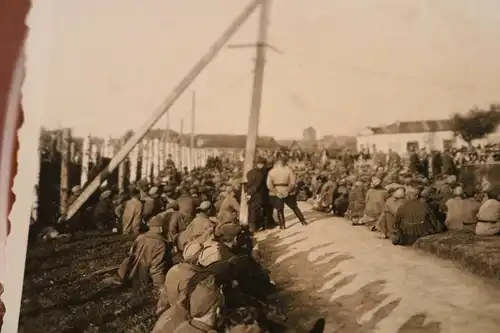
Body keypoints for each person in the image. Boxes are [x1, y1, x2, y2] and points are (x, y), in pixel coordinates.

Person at [117, 215, 172, 289]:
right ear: (161, 228)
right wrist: (160, 287)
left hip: (129, 276)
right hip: (144, 280)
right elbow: (157, 267)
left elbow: (130, 257)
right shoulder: (160, 243)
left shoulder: (140, 237)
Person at [266, 155, 307, 229]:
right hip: (287, 190)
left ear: (276, 163)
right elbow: (292, 183)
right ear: (284, 163)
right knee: (294, 207)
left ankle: (282, 226)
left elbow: (269, 185)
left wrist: (276, 192)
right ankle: (303, 221)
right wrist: (288, 191)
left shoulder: (271, 172)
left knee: (280, 209)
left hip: (276, 191)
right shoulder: (289, 170)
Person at [245, 156, 267, 232]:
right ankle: (254, 227)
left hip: (249, 193)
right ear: (258, 164)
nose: (262, 165)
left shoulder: (250, 172)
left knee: (251, 210)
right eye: (261, 164)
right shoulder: (260, 173)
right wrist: (251, 192)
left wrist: (248, 193)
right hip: (256, 193)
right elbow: (257, 185)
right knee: (256, 210)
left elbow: (248, 184)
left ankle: (251, 226)